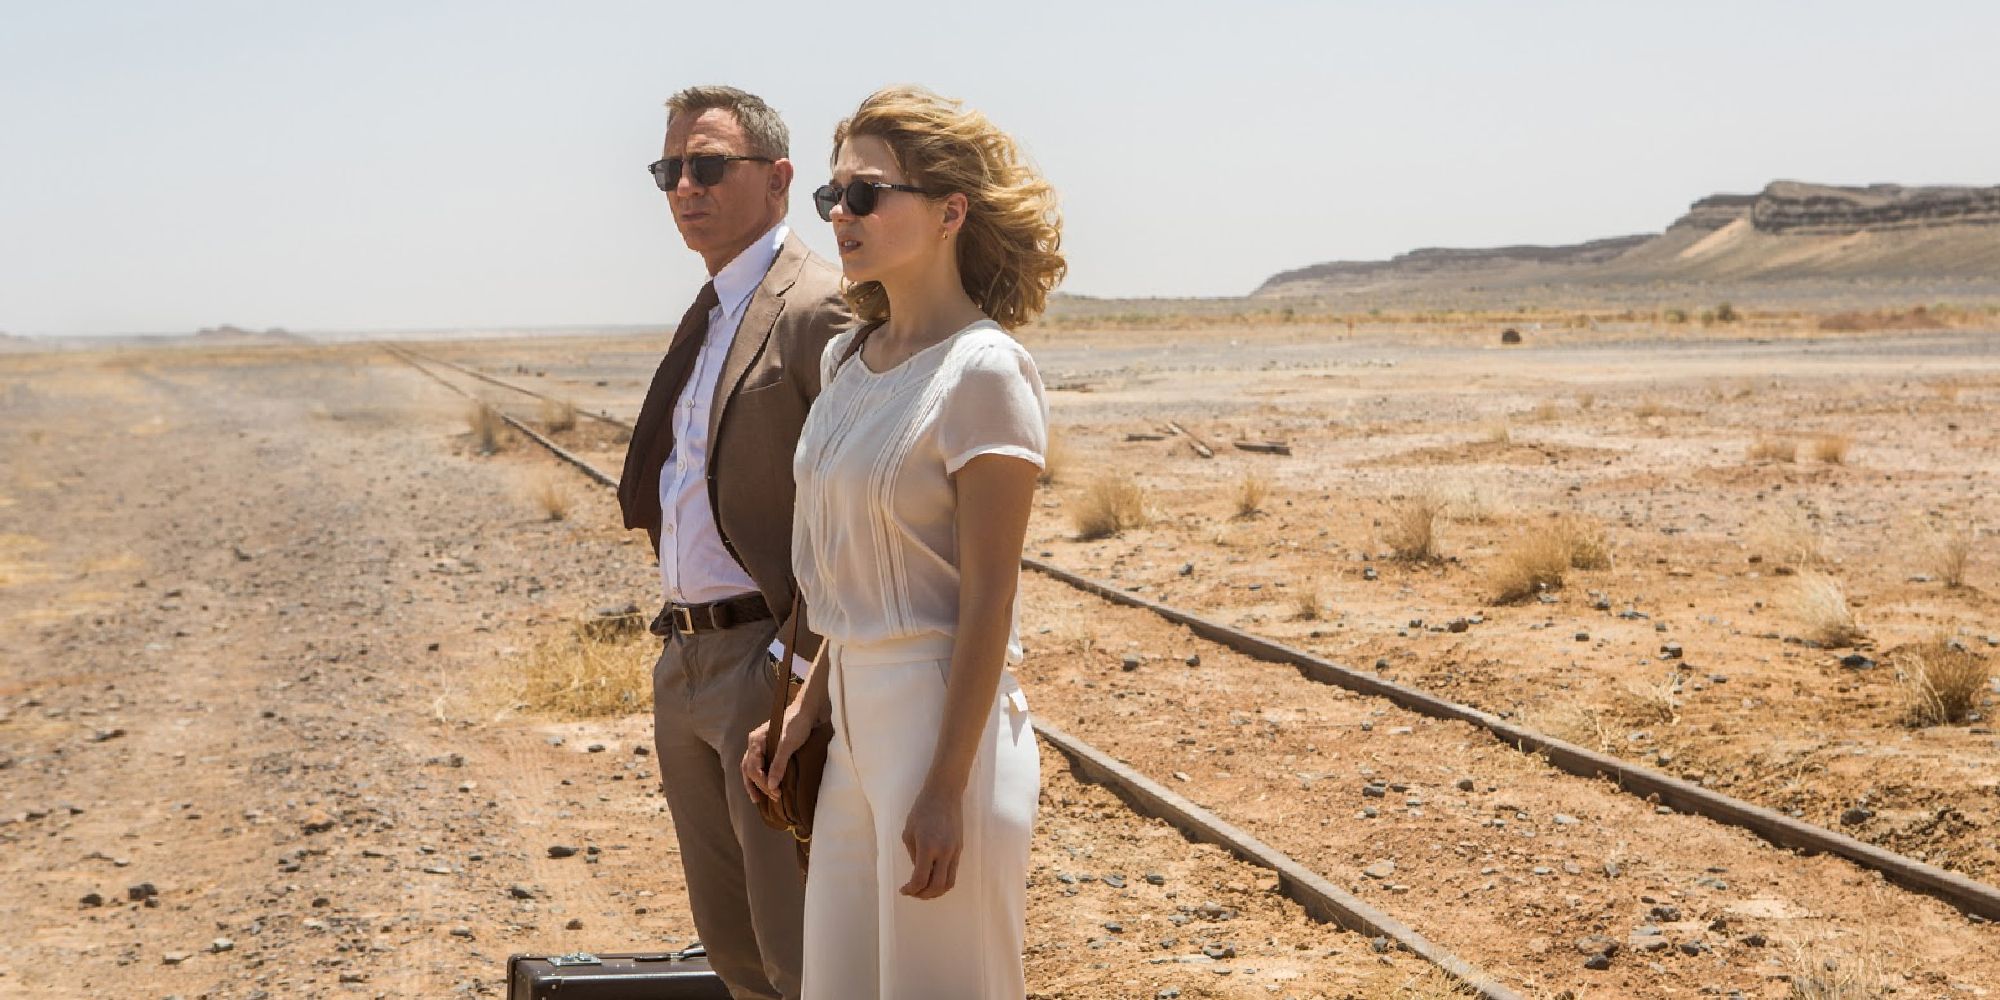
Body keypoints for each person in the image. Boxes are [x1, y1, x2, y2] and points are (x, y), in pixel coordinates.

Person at [745, 84, 1065, 999]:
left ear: (949, 213)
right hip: (853, 734)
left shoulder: (986, 371)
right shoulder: (848, 359)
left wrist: (943, 790)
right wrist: (801, 718)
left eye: (867, 193)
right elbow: (850, 583)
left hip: (942, 737)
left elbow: (986, 604)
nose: (841, 214)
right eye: (832, 195)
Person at [616, 84, 848, 1000]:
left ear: (779, 178)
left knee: (798, 955)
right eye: (670, 170)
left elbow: (855, 511)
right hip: (685, 660)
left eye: (707, 166)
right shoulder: (711, 309)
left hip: (767, 656)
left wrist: (797, 662)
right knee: (733, 952)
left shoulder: (818, 308)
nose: (685, 187)